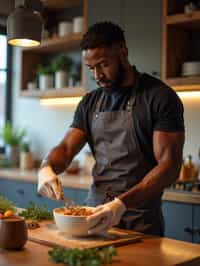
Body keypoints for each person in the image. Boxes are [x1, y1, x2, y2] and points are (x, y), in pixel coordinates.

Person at [38, 21, 185, 236]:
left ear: (123, 52)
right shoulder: (90, 102)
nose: (97, 75)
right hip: (92, 214)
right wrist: (46, 167)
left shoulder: (159, 97)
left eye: (103, 64)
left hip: (140, 220)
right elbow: (66, 149)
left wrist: (120, 204)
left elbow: (169, 167)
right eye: (91, 68)